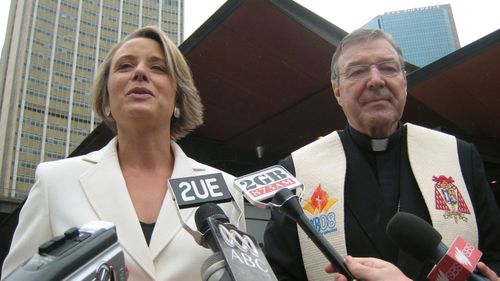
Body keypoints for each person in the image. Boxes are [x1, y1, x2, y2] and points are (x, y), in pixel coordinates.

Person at [1, 26, 245, 281]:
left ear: (178, 99)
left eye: (158, 68)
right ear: (106, 97)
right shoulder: (55, 182)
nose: (139, 72)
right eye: (125, 66)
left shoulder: (227, 189)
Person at [264, 28, 500, 281]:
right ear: (337, 91)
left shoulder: (459, 156)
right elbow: (278, 274)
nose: (376, 80)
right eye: (357, 71)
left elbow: (494, 255)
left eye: (388, 68)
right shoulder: (296, 172)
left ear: (404, 82)